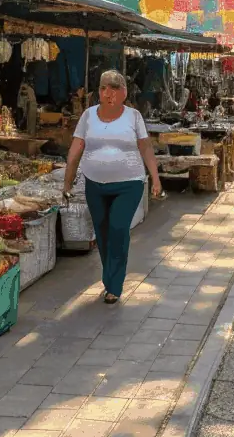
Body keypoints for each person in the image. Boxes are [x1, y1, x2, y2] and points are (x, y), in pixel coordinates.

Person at [62, 70, 164, 304]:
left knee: (118, 228)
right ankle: (110, 277)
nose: (109, 93)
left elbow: (146, 148)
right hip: (94, 184)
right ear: (98, 92)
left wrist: (155, 179)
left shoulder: (133, 116)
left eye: (115, 88)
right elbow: (76, 148)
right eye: (104, 88)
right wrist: (67, 182)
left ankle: (114, 285)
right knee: (103, 232)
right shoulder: (88, 116)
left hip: (129, 184)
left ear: (124, 93)